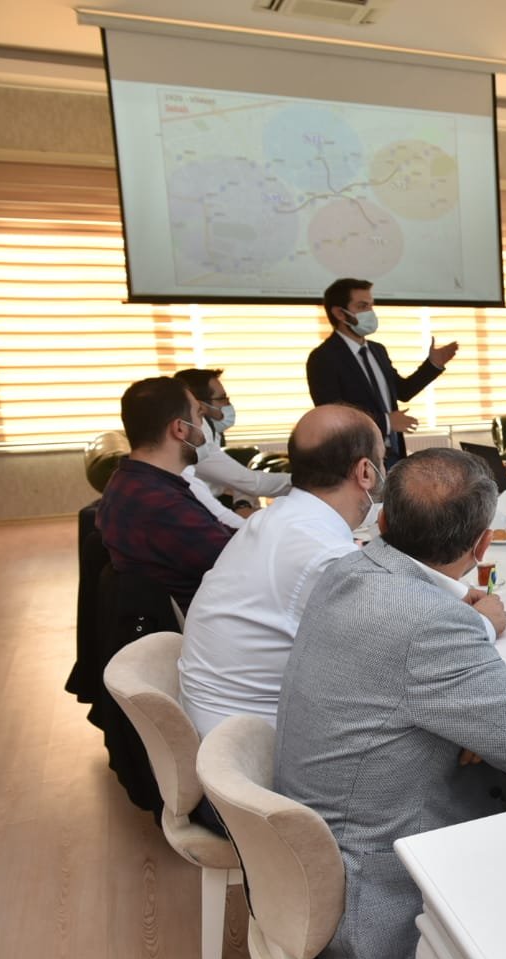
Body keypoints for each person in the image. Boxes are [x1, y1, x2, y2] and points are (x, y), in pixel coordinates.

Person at [273, 447, 506, 959]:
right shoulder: (429, 623)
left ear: (383, 521)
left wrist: (466, 718)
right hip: (374, 910)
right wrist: (482, 715)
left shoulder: (346, 568)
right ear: (482, 545)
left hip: (306, 874)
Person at [178, 405, 385, 739]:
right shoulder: (324, 554)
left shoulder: (271, 519)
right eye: (382, 460)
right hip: (255, 744)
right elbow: (391, 657)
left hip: (220, 722)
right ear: (366, 471)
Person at [95, 376, 235, 608]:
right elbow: (238, 564)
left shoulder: (131, 481)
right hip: (210, 618)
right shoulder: (161, 505)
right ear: (180, 428)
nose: (203, 428)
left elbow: (219, 535)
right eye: (199, 416)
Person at [306, 277, 458, 466]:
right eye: (362, 306)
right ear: (339, 313)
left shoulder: (378, 350)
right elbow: (333, 416)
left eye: (371, 306)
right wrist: (386, 422)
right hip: (356, 459)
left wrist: (433, 365)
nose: (370, 312)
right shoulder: (323, 358)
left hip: (393, 453)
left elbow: (403, 391)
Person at [173, 367, 292, 504]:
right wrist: (304, 481)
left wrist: (242, 502)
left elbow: (233, 481)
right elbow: (251, 483)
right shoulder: (197, 436)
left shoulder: (210, 429)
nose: (228, 404)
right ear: (200, 405)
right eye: (222, 398)